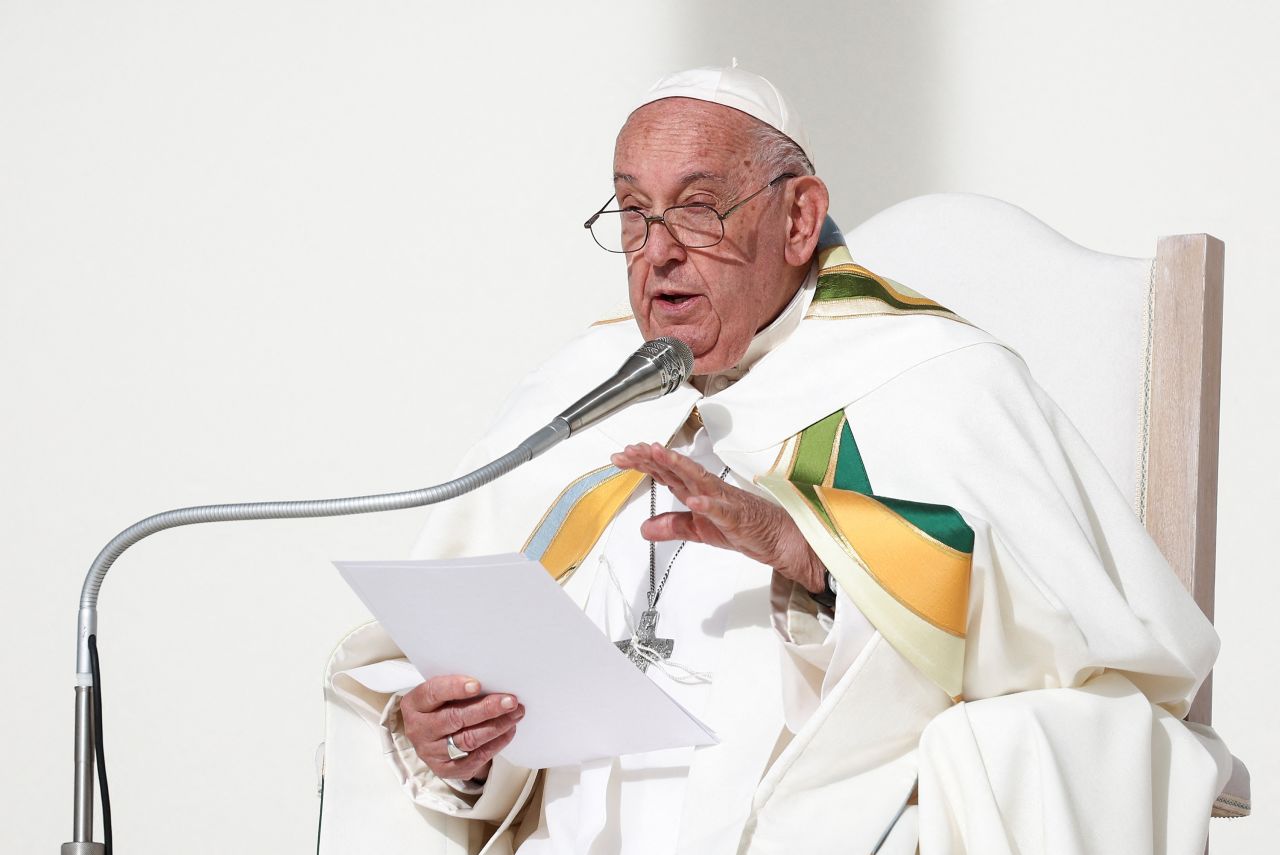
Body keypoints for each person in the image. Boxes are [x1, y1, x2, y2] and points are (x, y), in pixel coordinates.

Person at [329, 67, 1233, 854]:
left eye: (696, 207)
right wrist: (446, 742)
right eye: (634, 216)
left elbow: (1098, 662)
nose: (660, 254)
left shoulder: (939, 382)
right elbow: (441, 672)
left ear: (800, 218)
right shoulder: (577, 392)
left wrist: (820, 558)